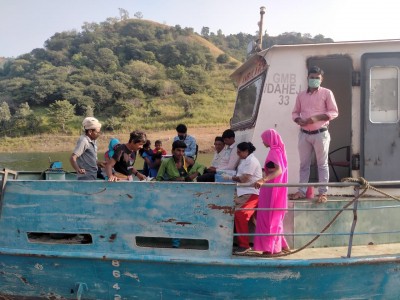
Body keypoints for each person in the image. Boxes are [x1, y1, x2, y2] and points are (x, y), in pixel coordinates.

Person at [291, 66, 339, 203]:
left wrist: (316, 118)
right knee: (304, 165)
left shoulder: (327, 93)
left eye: (317, 78)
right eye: (312, 77)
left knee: (322, 164)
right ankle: (301, 191)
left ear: (321, 79)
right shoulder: (301, 95)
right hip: (304, 134)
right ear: (307, 78)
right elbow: (295, 112)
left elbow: (334, 112)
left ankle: (323, 193)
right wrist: (297, 119)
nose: (314, 80)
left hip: (320, 133)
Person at [251, 129, 290, 255]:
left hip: (272, 190)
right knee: (274, 217)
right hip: (276, 189)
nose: (263, 142)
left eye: (264, 139)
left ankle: (271, 248)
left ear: (269, 139)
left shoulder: (274, 152)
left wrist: (263, 179)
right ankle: (281, 245)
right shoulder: (279, 151)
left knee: (269, 218)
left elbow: (279, 170)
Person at [222, 142, 262, 254]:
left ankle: (244, 245)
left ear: (246, 151)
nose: (238, 154)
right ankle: (237, 242)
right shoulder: (245, 160)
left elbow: (244, 179)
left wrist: (230, 177)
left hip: (251, 193)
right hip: (243, 193)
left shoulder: (251, 161)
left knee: (241, 215)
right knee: (233, 213)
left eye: (239, 152)